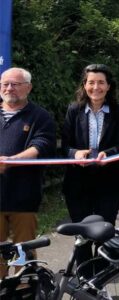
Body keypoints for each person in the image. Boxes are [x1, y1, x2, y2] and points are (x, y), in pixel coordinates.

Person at [61, 64, 119, 276]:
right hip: (77, 181)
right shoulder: (74, 110)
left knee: (104, 231)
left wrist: (106, 154)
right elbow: (65, 145)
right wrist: (76, 154)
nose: (96, 87)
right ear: (84, 85)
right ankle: (84, 276)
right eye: (91, 82)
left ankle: (101, 276)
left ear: (109, 86)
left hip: (110, 181)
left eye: (101, 82)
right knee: (81, 233)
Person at [0, 67, 56, 278]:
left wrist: (12, 161)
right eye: (5, 84)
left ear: (28, 88)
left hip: (24, 196)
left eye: (15, 84)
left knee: (23, 250)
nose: (9, 88)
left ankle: (24, 288)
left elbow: (41, 144)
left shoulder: (39, 116)